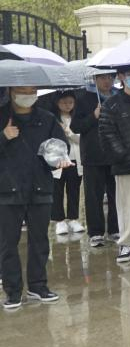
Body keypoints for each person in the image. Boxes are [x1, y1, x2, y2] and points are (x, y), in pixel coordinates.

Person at [0, 85, 72, 308]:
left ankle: (38, 286)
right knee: (7, 243)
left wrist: (59, 158)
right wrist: (3, 136)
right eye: (23, 90)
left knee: (40, 240)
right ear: (11, 91)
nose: (28, 95)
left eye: (32, 90)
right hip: (7, 189)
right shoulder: (2, 116)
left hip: (40, 187)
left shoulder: (47, 118)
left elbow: (61, 146)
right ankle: (12, 290)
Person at [99, 66, 130, 263]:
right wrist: (122, 154)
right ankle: (126, 243)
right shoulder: (112, 104)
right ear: (121, 77)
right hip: (126, 165)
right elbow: (106, 133)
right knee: (127, 207)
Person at [71, 71, 118, 242]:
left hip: (115, 154)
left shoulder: (118, 97)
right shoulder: (84, 99)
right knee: (93, 196)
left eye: (110, 77)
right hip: (93, 155)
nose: (107, 81)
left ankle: (115, 229)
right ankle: (96, 232)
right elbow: (75, 126)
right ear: (95, 79)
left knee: (116, 195)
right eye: (103, 78)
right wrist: (93, 116)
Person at [51, 92, 84, 238]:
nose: (67, 105)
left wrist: (68, 132)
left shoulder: (77, 118)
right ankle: (59, 220)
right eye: (64, 102)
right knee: (57, 190)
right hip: (58, 161)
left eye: (70, 102)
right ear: (57, 103)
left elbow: (81, 139)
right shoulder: (52, 119)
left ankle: (73, 219)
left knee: (73, 190)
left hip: (74, 160)